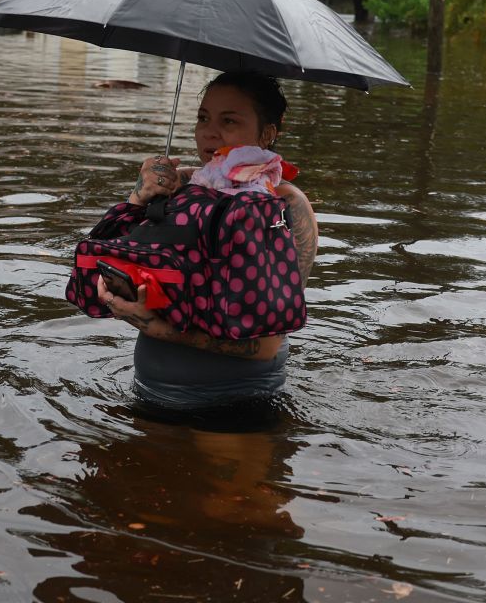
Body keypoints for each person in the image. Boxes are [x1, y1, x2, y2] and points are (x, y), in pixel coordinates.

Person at [94, 71, 318, 409]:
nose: (209, 133)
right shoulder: (182, 188)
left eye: (228, 121)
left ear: (267, 133)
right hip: (150, 391)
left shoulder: (284, 205)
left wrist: (158, 329)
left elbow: (267, 344)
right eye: (203, 118)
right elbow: (108, 258)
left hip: (236, 403)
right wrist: (140, 197)